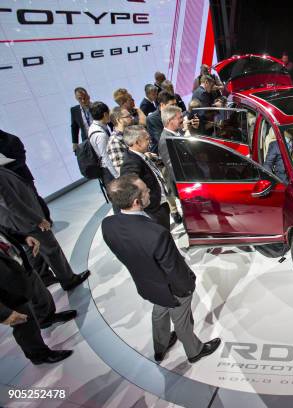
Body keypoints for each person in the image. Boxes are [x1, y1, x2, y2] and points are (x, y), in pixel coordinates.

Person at [101, 175, 220, 363]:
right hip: (172, 287)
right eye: (146, 190)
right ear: (136, 201)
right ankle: (194, 351)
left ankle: (160, 347)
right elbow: (173, 269)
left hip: (147, 285)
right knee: (181, 321)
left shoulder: (108, 225)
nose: (150, 191)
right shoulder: (156, 234)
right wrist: (188, 286)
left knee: (159, 313)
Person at [0, 156, 90, 290]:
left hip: (17, 222)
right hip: (24, 221)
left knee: (33, 251)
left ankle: (44, 277)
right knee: (51, 248)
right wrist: (37, 220)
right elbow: (12, 204)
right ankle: (68, 279)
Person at [1, 228, 74, 365]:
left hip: (20, 267)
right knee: (24, 323)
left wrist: (24, 237)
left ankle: (46, 317)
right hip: (6, 289)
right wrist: (3, 314)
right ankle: (38, 354)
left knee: (41, 294)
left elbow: (5, 232)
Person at [120, 126, 171, 230]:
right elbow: (130, 189)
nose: (150, 141)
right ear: (137, 143)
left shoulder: (139, 155)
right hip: (153, 210)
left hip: (160, 205)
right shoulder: (131, 163)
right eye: (147, 139)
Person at [88, 101, 118, 185]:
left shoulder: (94, 127)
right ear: (105, 114)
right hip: (109, 171)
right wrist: (117, 176)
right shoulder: (100, 135)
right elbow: (106, 157)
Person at [107, 107, 133, 174]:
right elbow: (122, 170)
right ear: (119, 120)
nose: (132, 118)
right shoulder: (114, 142)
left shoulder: (131, 132)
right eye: (128, 116)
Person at [70, 87, 92, 152]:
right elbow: (74, 127)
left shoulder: (96, 106)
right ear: (76, 98)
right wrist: (75, 143)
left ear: (88, 96)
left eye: (84, 98)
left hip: (100, 137)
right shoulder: (74, 110)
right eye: (80, 99)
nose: (83, 100)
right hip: (87, 140)